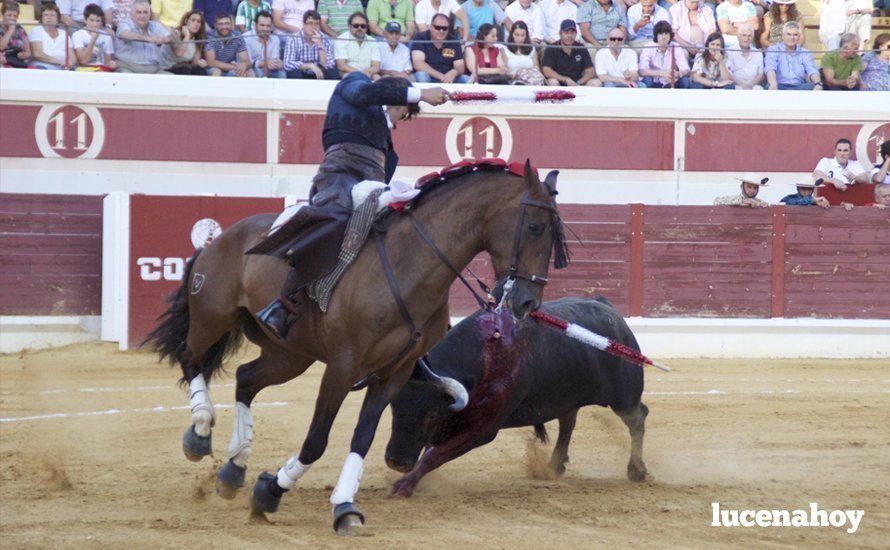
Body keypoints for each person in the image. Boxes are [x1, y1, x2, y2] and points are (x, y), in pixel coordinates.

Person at [256, 75, 450, 337]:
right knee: (334, 216)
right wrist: (419, 94)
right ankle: (284, 302)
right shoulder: (355, 86)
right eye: (403, 112)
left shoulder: (389, 151)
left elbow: (383, 180)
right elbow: (364, 94)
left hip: (370, 185)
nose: (400, 120)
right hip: (339, 174)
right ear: (394, 97)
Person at [115, 0, 174, 72]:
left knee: (171, 79)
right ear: (131, 14)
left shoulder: (156, 26)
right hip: (128, 66)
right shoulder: (125, 24)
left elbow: (171, 37)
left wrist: (167, 39)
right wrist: (149, 39)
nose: (142, 16)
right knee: (125, 79)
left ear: (150, 14)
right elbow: (124, 35)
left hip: (154, 68)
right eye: (139, 12)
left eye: (145, 12)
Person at [410, 12, 469, 83]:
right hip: (429, 76)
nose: (441, 31)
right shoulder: (420, 37)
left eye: (445, 28)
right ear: (431, 27)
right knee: (421, 75)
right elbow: (418, 64)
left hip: (449, 78)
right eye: (437, 28)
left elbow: (460, 66)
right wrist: (441, 76)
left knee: (466, 79)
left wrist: (454, 72)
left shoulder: (453, 41)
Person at [541, 18, 600, 86]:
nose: (569, 35)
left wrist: (579, 82)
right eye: (566, 32)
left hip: (578, 82)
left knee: (596, 83)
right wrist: (565, 79)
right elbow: (546, 70)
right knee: (553, 82)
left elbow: (590, 71)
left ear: (576, 34)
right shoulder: (552, 48)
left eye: (572, 33)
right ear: (560, 33)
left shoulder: (581, 48)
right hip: (559, 81)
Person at [764, 22, 821, 90]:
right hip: (779, 85)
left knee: (815, 87)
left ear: (799, 36)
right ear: (782, 36)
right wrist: (773, 83)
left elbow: (812, 70)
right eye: (789, 34)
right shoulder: (774, 49)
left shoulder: (805, 52)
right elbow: (770, 68)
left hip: (799, 86)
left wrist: (817, 83)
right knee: (768, 86)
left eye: (795, 35)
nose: (792, 37)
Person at [286, 9, 337, 79]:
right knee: (294, 73)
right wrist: (310, 65)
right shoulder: (293, 39)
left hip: (319, 73)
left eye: (316, 24)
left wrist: (320, 45)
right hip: (302, 72)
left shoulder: (325, 39)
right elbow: (287, 64)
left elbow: (330, 64)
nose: (313, 27)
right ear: (303, 24)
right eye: (310, 23)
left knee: (333, 73)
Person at [639, 20, 691, 88]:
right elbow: (642, 71)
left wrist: (677, 74)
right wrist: (662, 73)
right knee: (647, 80)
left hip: (670, 82)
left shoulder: (676, 47)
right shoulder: (649, 47)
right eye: (661, 34)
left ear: (670, 35)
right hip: (654, 82)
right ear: (656, 36)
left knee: (685, 81)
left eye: (666, 33)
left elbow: (686, 70)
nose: (664, 36)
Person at [28, 2, 76, 70]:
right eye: (46, 15)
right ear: (41, 18)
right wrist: (58, 62)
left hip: (63, 68)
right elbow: (37, 53)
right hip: (42, 66)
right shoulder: (36, 31)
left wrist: (69, 64)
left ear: (58, 19)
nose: (49, 17)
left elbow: (72, 56)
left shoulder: (64, 33)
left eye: (52, 15)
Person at [158, 9, 206, 74]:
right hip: (168, 68)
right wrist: (187, 36)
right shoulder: (175, 34)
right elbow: (179, 53)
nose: (196, 24)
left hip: (183, 68)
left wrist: (200, 63)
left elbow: (194, 64)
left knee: (201, 71)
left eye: (199, 22)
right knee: (185, 70)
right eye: (193, 20)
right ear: (186, 21)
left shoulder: (198, 39)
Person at [336, 12, 381, 79]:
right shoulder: (341, 39)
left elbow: (376, 66)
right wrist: (360, 74)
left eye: (363, 26)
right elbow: (341, 66)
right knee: (347, 76)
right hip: (349, 73)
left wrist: (368, 72)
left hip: (368, 73)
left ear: (366, 28)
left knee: (377, 77)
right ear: (349, 26)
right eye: (356, 26)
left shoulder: (372, 41)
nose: (359, 28)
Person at [204, 12, 251, 76]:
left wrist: (244, 65)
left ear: (232, 25)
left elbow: (247, 61)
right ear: (215, 25)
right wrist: (235, 67)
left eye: (227, 23)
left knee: (249, 72)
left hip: (231, 68)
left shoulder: (237, 35)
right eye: (220, 24)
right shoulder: (210, 36)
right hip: (214, 68)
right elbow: (211, 62)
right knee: (216, 72)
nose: (224, 27)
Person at [73, 3, 117, 70]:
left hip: (101, 70)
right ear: (85, 20)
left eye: (98, 21)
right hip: (84, 70)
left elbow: (107, 62)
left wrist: (111, 65)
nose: (95, 24)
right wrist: (93, 39)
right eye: (92, 20)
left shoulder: (106, 37)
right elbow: (83, 61)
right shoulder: (78, 35)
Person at [502, 20, 545, 85]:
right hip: (514, 82)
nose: (520, 38)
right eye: (517, 35)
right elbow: (504, 71)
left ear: (526, 36)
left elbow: (537, 68)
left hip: (532, 81)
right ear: (512, 34)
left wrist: (527, 72)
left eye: (523, 35)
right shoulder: (505, 50)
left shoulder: (531, 49)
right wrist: (516, 74)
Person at [246, 10, 286, 77]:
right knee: (260, 73)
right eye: (262, 25)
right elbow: (249, 62)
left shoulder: (275, 39)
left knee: (282, 75)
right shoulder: (246, 38)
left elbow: (274, 59)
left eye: (268, 26)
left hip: (269, 68)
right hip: (252, 69)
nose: (265, 29)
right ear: (255, 25)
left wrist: (277, 64)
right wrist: (265, 63)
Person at [726, 23, 762, 89]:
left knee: (759, 89)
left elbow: (760, 74)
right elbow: (729, 74)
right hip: (736, 85)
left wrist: (751, 84)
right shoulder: (730, 51)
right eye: (744, 35)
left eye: (749, 36)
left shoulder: (758, 53)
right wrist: (743, 85)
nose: (746, 38)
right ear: (738, 36)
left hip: (753, 85)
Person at [1, 2, 32, 68]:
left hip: (17, 60)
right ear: (2, 15)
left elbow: (28, 52)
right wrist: (11, 30)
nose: (12, 18)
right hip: (3, 61)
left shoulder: (20, 29)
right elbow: (1, 47)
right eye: (9, 15)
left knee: (40, 69)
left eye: (15, 16)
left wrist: (24, 55)